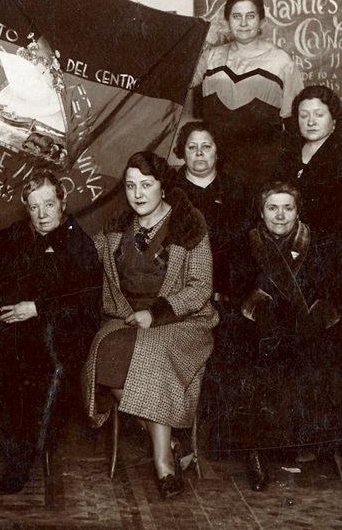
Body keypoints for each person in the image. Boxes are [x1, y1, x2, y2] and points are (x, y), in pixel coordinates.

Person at [83, 152, 218, 499]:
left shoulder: (189, 223)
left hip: (181, 320)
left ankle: (163, 464)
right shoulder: (115, 227)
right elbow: (78, 258)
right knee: (103, 356)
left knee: (153, 353)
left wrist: (156, 313)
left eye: (146, 185)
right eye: (130, 186)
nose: (138, 194)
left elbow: (201, 287)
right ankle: (171, 439)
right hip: (125, 317)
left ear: (163, 187)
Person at [0, 170, 101, 494]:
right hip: (16, 326)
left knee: (34, 372)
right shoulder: (18, 233)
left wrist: (38, 308)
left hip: (60, 332)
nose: (41, 215)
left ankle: (20, 458)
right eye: (34, 207)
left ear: (62, 203)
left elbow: (85, 301)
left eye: (49, 205)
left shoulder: (78, 243)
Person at [273, 84, 342, 429]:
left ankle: (330, 433)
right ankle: (288, 430)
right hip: (286, 266)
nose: (310, 121)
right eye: (303, 114)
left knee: (327, 346)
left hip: (331, 270)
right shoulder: (288, 153)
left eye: (318, 114)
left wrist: (329, 260)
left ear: (334, 117)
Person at [235, 181, 342, 491]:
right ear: (261, 213)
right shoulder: (247, 245)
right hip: (262, 328)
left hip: (308, 326)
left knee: (322, 362)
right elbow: (236, 288)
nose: (280, 215)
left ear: (298, 211)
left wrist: (315, 317)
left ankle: (312, 443)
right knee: (261, 364)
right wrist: (261, 309)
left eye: (287, 208)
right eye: (272, 208)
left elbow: (333, 289)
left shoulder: (316, 244)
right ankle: (260, 452)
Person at [165, 121, 253, 450]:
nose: (199, 154)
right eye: (192, 147)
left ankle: (222, 434)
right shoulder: (169, 191)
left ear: (218, 151)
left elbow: (246, 251)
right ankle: (176, 433)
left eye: (207, 146)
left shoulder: (237, 191)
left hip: (225, 296)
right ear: (182, 153)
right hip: (181, 296)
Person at [193, 0, 304, 187]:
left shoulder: (281, 62)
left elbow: (294, 123)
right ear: (226, 21)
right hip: (214, 172)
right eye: (236, 16)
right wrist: (204, 40)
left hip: (264, 172)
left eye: (250, 16)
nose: (243, 23)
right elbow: (178, 82)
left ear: (262, 21)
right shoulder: (211, 57)